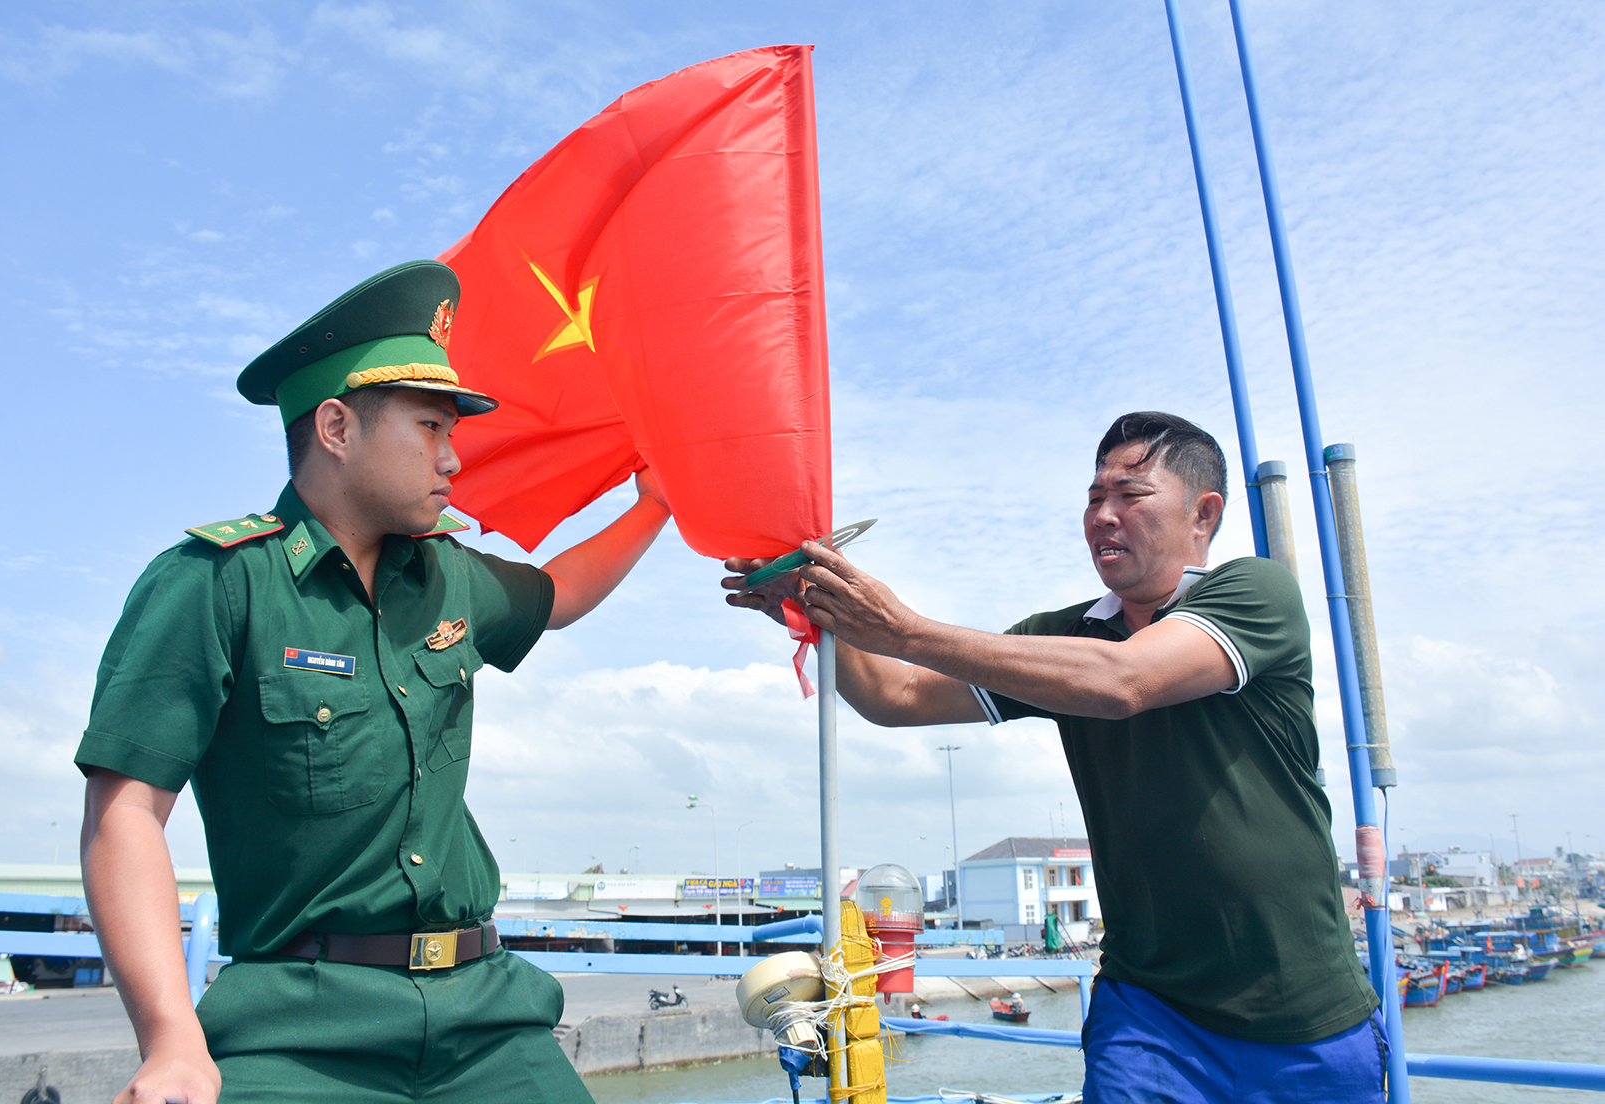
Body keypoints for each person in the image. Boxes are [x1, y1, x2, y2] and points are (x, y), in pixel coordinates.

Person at [77, 260, 671, 1104]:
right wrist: (172, 1039)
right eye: (430, 427)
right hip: (299, 1030)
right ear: (335, 428)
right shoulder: (215, 583)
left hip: (486, 1022)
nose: (452, 458)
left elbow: (562, 595)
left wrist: (655, 505)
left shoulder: (448, 579)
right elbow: (124, 813)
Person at [725, 412, 1385, 1103]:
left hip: (1306, 1009)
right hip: (1152, 1009)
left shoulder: (1256, 593)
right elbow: (899, 695)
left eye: (1131, 495)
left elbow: (1122, 682)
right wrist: (813, 609)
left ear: (1204, 513)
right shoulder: (1064, 639)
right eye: (1094, 497)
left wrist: (904, 629)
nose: (1103, 515)